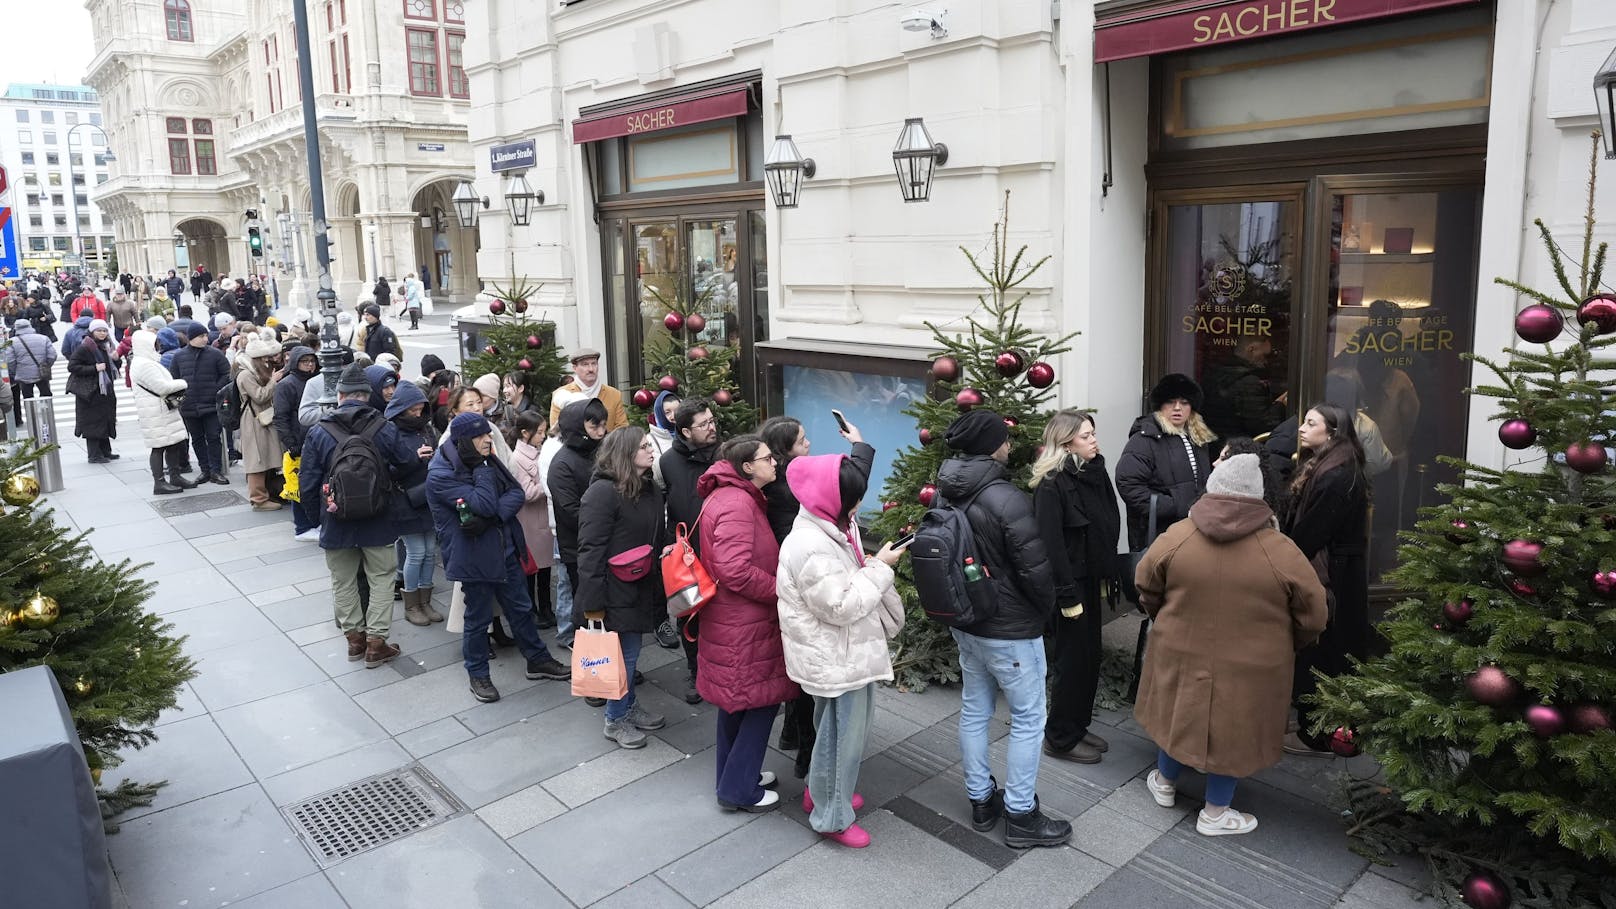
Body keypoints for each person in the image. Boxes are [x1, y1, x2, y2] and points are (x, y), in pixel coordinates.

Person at [1133, 454, 1328, 835]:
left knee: (1179, 710)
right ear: (1258, 497)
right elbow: (1313, 613)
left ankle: (1165, 783)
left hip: (1180, 647)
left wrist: (1166, 619)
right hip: (1252, 662)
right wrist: (1291, 642)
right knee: (1233, 728)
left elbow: (1146, 584)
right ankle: (1216, 813)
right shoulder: (1281, 550)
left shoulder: (1178, 534)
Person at [935, 408, 1068, 848]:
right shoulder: (1006, 497)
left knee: (975, 708)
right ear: (992, 445)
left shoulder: (944, 491)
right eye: (1004, 438)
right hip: (1009, 629)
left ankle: (980, 801)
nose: (1010, 444)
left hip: (966, 621)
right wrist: (1045, 610)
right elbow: (1035, 570)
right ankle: (1021, 815)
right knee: (1029, 718)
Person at [776, 451, 906, 847]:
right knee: (841, 739)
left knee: (832, 731)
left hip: (838, 654)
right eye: (854, 497)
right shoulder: (813, 544)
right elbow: (841, 606)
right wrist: (881, 566)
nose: (858, 505)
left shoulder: (822, 529)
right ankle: (833, 817)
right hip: (837, 656)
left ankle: (821, 793)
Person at [759, 414, 875, 776]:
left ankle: (796, 741)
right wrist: (859, 446)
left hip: (797, 594)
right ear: (784, 452)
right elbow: (846, 485)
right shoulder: (792, 494)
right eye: (802, 441)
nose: (809, 445)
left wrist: (858, 447)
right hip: (807, 595)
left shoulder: (787, 483)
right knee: (811, 688)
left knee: (801, 680)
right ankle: (812, 767)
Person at [695, 434, 799, 810]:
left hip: (734, 621)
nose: (776, 463)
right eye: (768, 458)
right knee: (759, 702)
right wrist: (781, 590)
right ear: (747, 467)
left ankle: (735, 774)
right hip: (744, 623)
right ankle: (738, 790)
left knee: (737, 703)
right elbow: (734, 569)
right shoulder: (738, 502)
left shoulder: (730, 495)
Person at [299, 364, 422, 670]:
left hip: (335, 517)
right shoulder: (383, 427)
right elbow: (406, 464)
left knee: (342, 581)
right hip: (378, 517)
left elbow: (308, 481)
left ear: (338, 396)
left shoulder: (319, 431)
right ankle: (376, 644)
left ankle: (354, 640)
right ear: (367, 396)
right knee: (381, 578)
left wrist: (318, 518)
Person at [1031, 410, 1122, 765]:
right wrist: (1067, 596)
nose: (1094, 440)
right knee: (1071, 661)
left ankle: (1078, 725)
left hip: (1092, 578)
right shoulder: (1052, 484)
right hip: (1069, 585)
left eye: (1093, 433)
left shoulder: (1094, 471)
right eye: (1086, 436)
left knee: (1090, 657)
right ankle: (1059, 737)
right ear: (1066, 442)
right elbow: (1051, 546)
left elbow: (1107, 520)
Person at [1281, 403, 1371, 756]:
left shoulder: (1337, 476)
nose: (1302, 428)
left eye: (1310, 423)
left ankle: (1315, 734)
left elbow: (1312, 532)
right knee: (1322, 651)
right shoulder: (1327, 464)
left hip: (1331, 578)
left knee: (1323, 653)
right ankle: (1313, 722)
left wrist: (1282, 554)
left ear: (1332, 433)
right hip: (1333, 571)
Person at [575, 426, 667, 745]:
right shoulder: (602, 493)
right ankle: (615, 720)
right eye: (644, 446)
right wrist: (593, 604)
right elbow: (590, 550)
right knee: (622, 657)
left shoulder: (648, 486)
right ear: (627, 454)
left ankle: (627, 706)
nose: (651, 450)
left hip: (641, 584)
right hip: (613, 591)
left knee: (632, 652)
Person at [660, 397, 721, 704]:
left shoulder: (724, 455)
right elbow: (670, 506)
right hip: (687, 555)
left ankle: (719, 671)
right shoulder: (668, 461)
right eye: (704, 424)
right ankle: (694, 670)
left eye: (712, 421)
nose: (712, 428)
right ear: (685, 432)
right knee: (689, 616)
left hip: (720, 551)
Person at [1116, 373, 1217, 553]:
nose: (1177, 408)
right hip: (1160, 534)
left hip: (1196, 528)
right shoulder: (1144, 439)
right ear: (1160, 405)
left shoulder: (1199, 438)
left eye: (1184, 402)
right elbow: (1128, 483)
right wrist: (1173, 506)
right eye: (1171, 402)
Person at [548, 398, 609, 649]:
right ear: (576, 427)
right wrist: (605, 521)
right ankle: (593, 658)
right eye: (594, 426)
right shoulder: (562, 464)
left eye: (603, 425)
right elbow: (570, 510)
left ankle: (611, 653)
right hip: (578, 546)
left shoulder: (601, 450)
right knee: (586, 602)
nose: (600, 432)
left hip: (606, 539)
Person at [386, 380, 445, 626]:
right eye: (413, 409)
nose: (418, 413)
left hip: (427, 495)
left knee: (430, 552)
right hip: (404, 499)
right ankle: (412, 605)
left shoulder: (427, 429)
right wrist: (413, 459)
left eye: (421, 408)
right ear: (402, 408)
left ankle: (425, 600)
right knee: (416, 552)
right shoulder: (390, 431)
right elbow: (386, 469)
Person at [128, 329, 198, 495]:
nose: (158, 346)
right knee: (159, 446)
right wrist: (182, 383)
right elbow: (162, 387)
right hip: (155, 410)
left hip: (159, 409)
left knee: (172, 443)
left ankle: (175, 476)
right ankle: (159, 483)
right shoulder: (144, 364)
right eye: (154, 343)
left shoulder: (143, 361)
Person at [507, 411, 557, 629]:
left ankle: (546, 608)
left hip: (542, 520)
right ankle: (533, 610)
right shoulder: (517, 458)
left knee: (545, 570)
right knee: (531, 570)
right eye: (539, 432)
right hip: (530, 523)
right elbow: (527, 493)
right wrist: (549, 484)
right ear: (525, 433)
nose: (542, 436)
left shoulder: (538, 452)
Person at [169, 321, 232, 485]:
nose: (205, 338)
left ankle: (215, 470)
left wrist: (216, 391)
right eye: (201, 336)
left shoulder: (215, 354)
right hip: (189, 406)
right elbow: (174, 379)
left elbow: (226, 374)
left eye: (205, 335)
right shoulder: (179, 356)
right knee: (197, 439)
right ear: (191, 338)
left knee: (213, 437)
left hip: (211, 405)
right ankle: (205, 470)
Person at [275, 346, 321, 540]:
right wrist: (290, 443)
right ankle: (302, 526)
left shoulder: (316, 380)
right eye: (305, 361)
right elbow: (281, 417)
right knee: (298, 486)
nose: (309, 364)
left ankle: (314, 523)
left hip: (315, 438)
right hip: (298, 441)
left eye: (312, 361)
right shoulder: (287, 384)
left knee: (313, 485)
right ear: (295, 362)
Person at [236, 338, 287, 511]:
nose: (267, 360)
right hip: (253, 420)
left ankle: (268, 493)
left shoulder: (254, 372)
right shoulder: (245, 375)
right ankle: (258, 499)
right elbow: (259, 396)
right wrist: (274, 381)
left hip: (263, 418)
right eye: (264, 358)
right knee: (256, 459)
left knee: (267, 456)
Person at [66, 319, 122, 463]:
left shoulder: (107, 346)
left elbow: (112, 367)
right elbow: (72, 366)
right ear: (92, 332)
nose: (102, 333)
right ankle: (94, 454)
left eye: (104, 330)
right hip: (91, 392)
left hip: (105, 389)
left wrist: (116, 359)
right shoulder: (85, 347)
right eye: (99, 331)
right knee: (93, 422)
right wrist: (94, 369)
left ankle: (105, 451)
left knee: (105, 419)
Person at [547, 348, 627, 431]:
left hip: (608, 443)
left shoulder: (614, 394)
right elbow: (556, 430)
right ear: (575, 368)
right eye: (585, 364)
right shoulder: (562, 394)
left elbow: (622, 429)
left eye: (594, 363)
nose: (591, 369)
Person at [4, 320, 57, 427]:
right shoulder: (43, 338)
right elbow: (52, 355)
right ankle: (47, 418)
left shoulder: (12, 342)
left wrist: (15, 372)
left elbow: (10, 361)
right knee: (45, 395)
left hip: (24, 375)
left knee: (28, 398)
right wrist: (45, 366)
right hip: (42, 374)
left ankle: (32, 421)